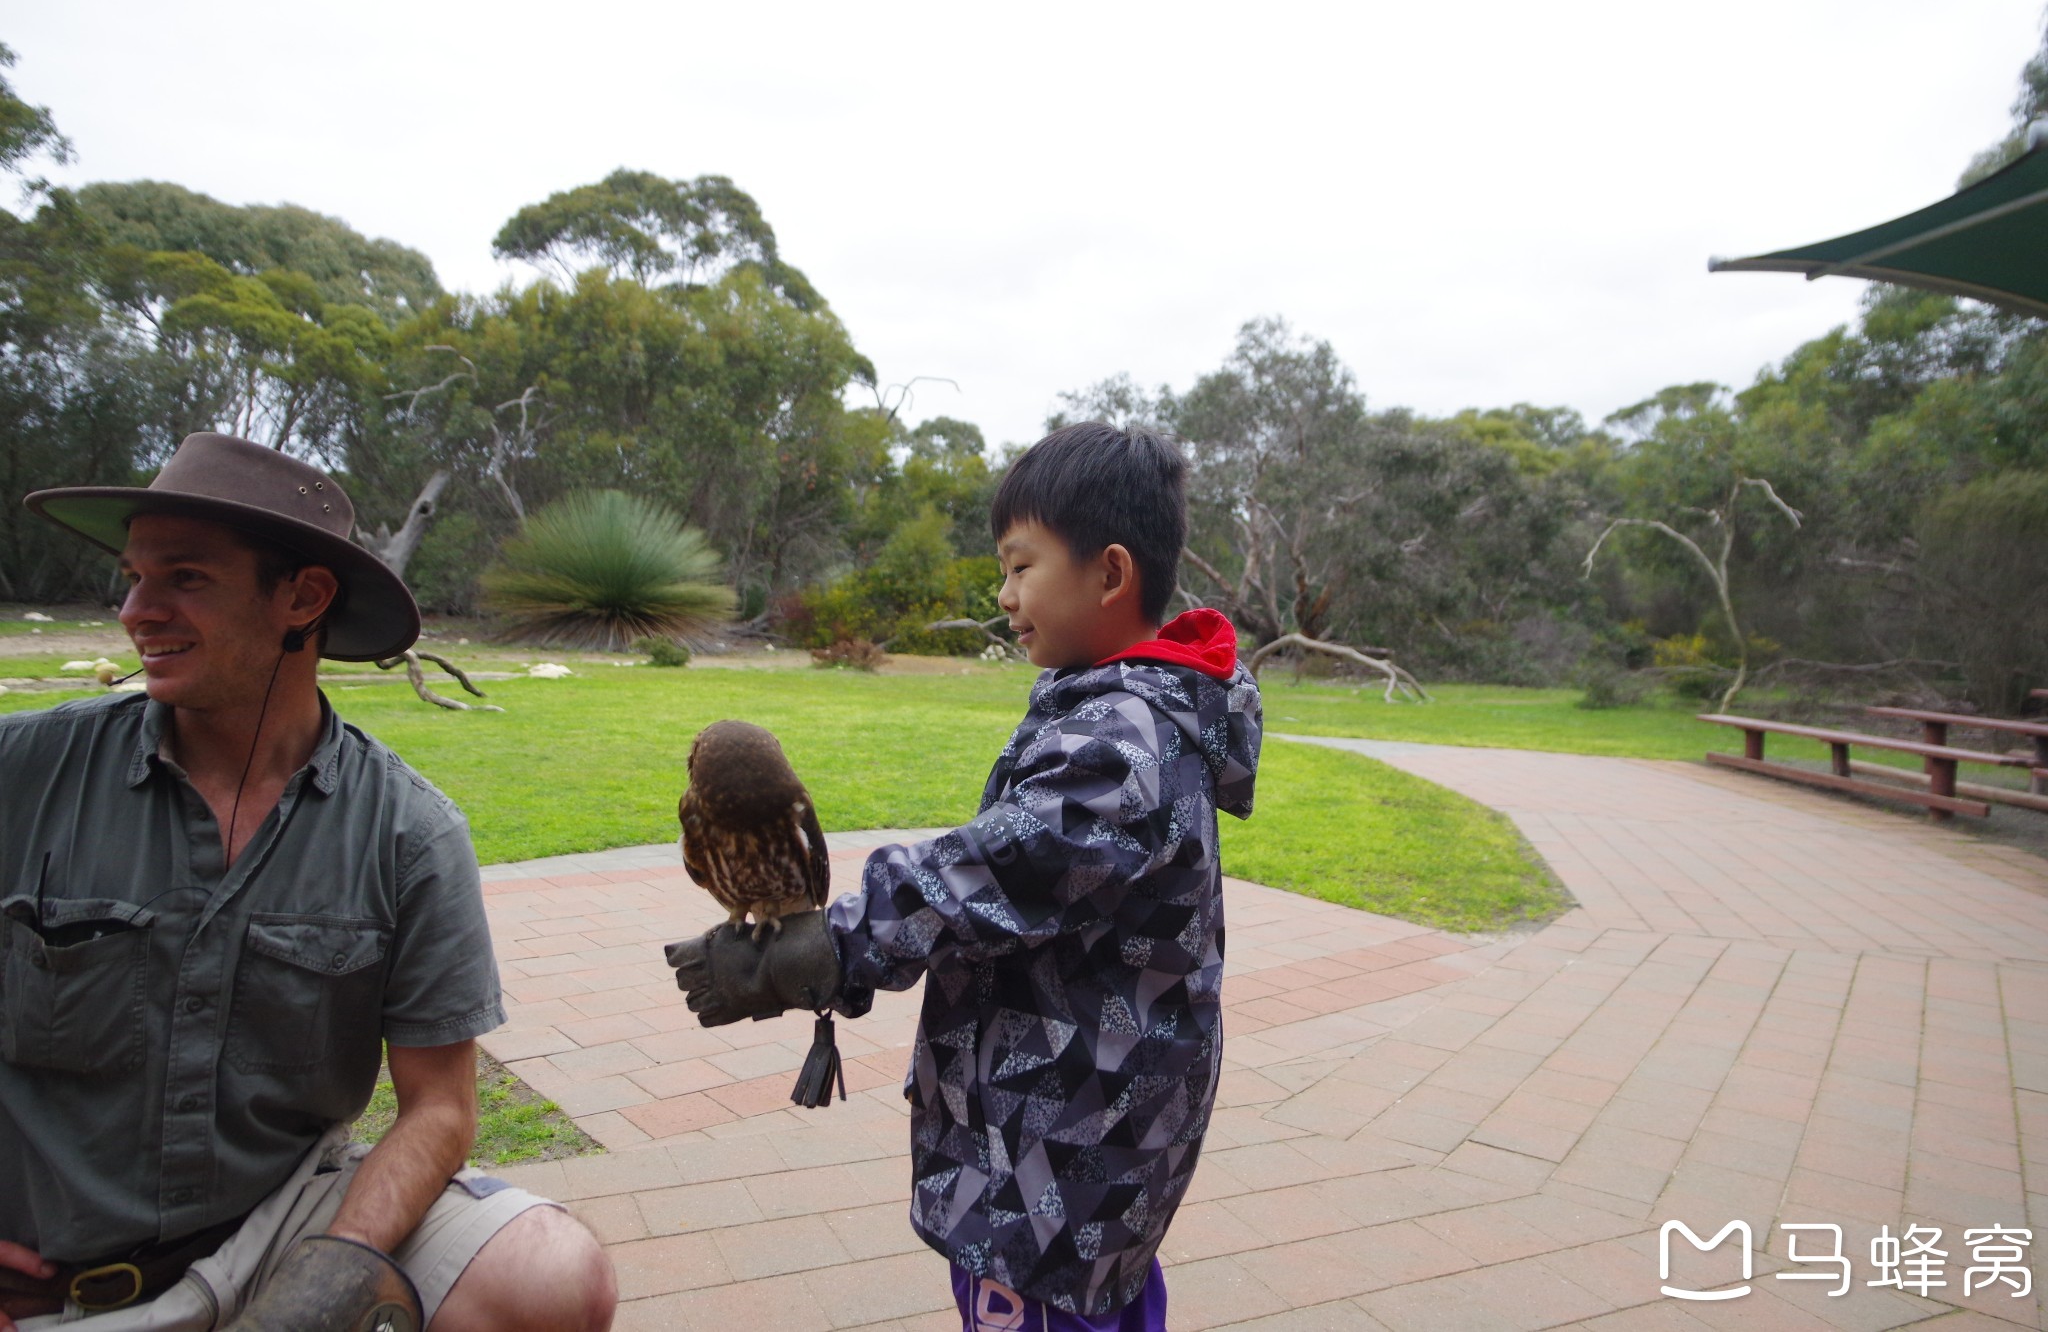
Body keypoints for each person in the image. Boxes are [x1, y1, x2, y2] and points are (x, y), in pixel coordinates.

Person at [0, 433, 616, 1331]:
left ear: (305, 596)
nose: (138, 610)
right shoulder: (25, 773)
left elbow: (440, 1107)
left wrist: (337, 1262)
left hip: (274, 1229)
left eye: (185, 577)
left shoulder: (408, 830)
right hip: (44, 1270)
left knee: (552, 1275)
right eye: (134, 576)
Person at [671, 422, 1262, 1331]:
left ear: (1109, 574)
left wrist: (831, 943)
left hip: (1055, 1172)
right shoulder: (1131, 710)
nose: (1004, 592)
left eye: (1022, 566)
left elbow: (988, 871)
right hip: (1089, 1157)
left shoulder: (1120, 742)